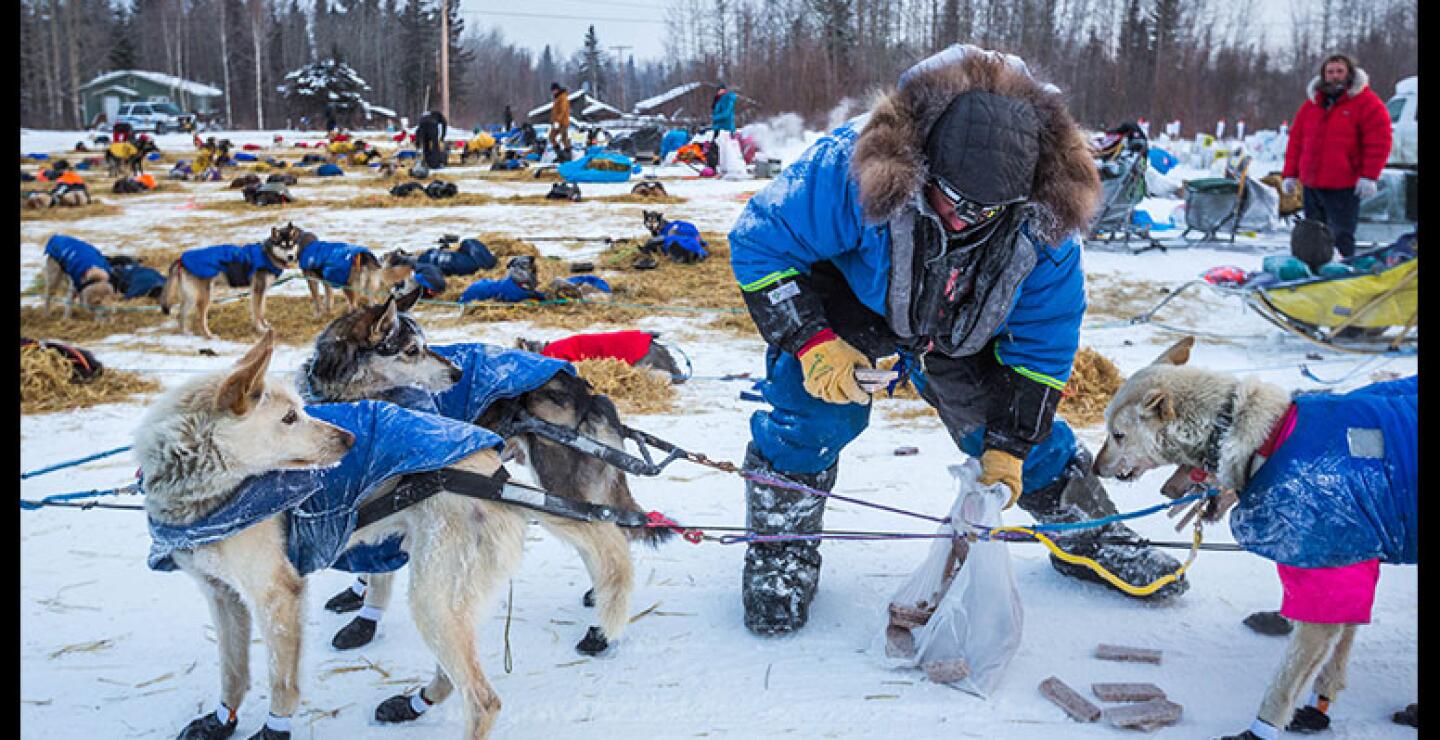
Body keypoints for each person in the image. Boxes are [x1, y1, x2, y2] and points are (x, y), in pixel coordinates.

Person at [727, 44, 1188, 637]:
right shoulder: (851, 163)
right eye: (955, 199)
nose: (966, 218)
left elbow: (1044, 344)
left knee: (1014, 437)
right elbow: (761, 241)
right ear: (924, 161)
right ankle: (780, 547)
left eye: (988, 209)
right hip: (852, 301)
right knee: (812, 418)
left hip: (964, 325)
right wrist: (812, 340)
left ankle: (1085, 534)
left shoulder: (1047, 220)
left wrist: (1010, 443)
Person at [1281, 53, 1392, 259]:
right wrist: (1290, 173)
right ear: (1323, 75)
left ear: (1349, 73)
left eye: (1339, 71)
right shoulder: (1311, 106)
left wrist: (1369, 176)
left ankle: (1341, 271)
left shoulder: (1367, 104)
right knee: (1312, 234)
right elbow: (1296, 142)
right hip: (1312, 184)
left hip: (1344, 184)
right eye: (1330, 72)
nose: (1334, 76)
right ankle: (1313, 271)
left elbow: (1379, 142)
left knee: (1341, 234)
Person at [548, 82, 572, 162]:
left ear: (557, 89)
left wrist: (557, 120)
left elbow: (563, 110)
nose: (553, 92)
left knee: (564, 138)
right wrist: (553, 120)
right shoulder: (557, 98)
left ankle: (568, 156)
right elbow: (555, 111)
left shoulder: (563, 97)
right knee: (551, 137)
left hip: (563, 122)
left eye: (554, 90)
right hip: (557, 122)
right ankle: (560, 155)